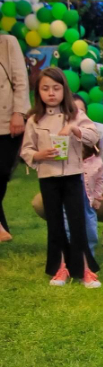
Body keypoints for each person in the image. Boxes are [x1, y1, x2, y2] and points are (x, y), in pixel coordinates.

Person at [20, 67, 100, 287]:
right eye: (45, 89)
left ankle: (85, 269)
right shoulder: (34, 119)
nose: (51, 93)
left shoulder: (75, 114)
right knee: (55, 223)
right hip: (48, 177)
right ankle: (60, 268)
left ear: (64, 89)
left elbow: (94, 134)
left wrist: (75, 130)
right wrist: (39, 154)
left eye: (56, 88)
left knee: (77, 221)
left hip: (73, 175)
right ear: (38, 92)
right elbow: (26, 150)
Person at [32, 95, 103, 255]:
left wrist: (94, 184)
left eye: (81, 113)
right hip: (68, 191)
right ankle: (67, 239)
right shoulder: (55, 136)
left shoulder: (102, 132)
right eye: (70, 113)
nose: (76, 118)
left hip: (99, 193)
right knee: (40, 201)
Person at [0, 35, 30, 242]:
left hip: (6, 120)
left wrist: (19, 112)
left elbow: (20, 79)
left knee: (2, 173)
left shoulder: (7, 43)